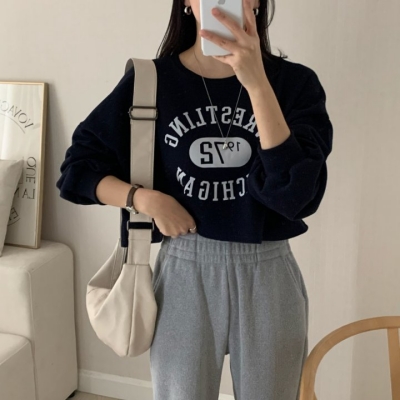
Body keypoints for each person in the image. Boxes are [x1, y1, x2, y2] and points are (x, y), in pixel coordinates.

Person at [56, 0, 333, 399]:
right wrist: (144, 200)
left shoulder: (294, 84)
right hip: (185, 268)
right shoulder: (151, 81)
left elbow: (296, 196)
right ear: (187, 2)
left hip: (269, 271)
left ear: (256, 2)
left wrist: (256, 83)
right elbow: (77, 170)